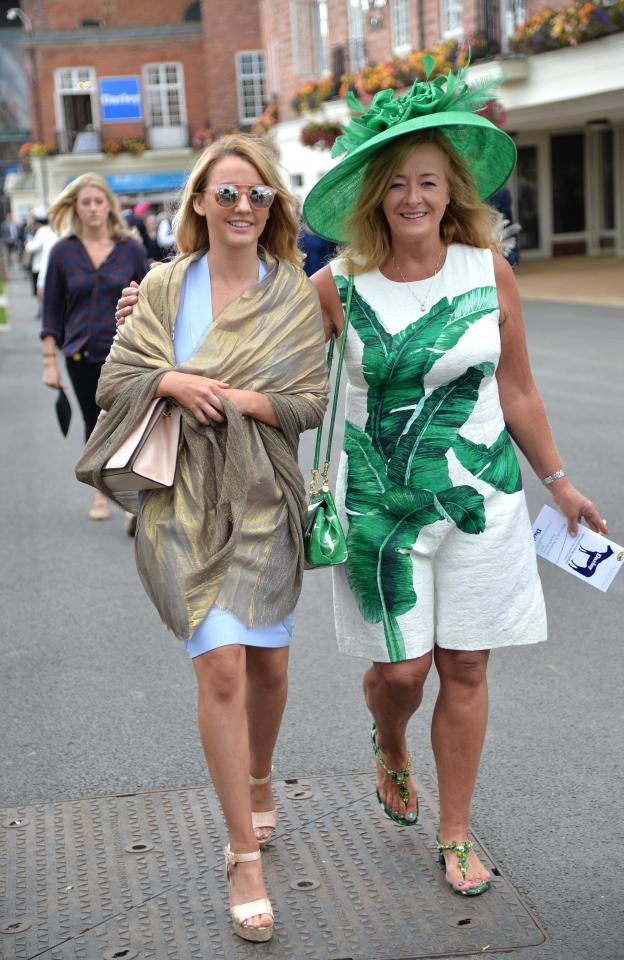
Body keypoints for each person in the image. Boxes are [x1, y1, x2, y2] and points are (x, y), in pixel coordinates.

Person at [301, 61, 606, 895]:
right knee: (402, 673)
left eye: (428, 182)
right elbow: (277, 367)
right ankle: (390, 741)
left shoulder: (487, 272)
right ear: (375, 195)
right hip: (378, 506)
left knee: (466, 666)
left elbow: (518, 388)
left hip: (481, 501)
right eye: (397, 183)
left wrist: (561, 481)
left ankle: (457, 831)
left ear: (450, 191)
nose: (413, 198)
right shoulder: (336, 285)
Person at [76, 134, 328, 941]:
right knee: (219, 660)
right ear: (197, 203)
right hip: (182, 498)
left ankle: (260, 776)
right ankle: (240, 854)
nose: (243, 207)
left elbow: (311, 400)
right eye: (227, 194)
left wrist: (246, 400)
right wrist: (174, 381)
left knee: (270, 665)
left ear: (274, 207)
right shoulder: (160, 285)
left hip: (263, 496)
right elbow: (117, 380)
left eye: (258, 195)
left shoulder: (290, 291)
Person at [40, 173, 148, 522]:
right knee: (95, 424)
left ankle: (132, 494)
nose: (92, 208)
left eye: (98, 201)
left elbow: (147, 299)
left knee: (132, 423)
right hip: (81, 354)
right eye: (85, 202)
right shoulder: (62, 252)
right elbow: (52, 309)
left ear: (109, 206)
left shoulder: (130, 248)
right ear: (75, 208)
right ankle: (104, 492)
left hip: (125, 353)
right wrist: (49, 361)